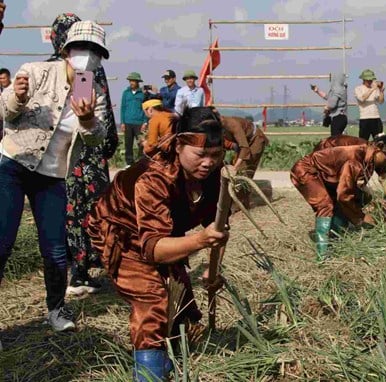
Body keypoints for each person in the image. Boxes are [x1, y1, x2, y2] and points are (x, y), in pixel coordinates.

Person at [87, 107, 228, 381]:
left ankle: (172, 361)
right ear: (178, 145)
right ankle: (149, 375)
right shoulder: (153, 178)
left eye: (215, 155)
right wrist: (199, 240)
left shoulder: (213, 175)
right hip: (121, 232)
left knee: (181, 306)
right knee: (153, 301)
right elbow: (152, 249)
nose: (208, 163)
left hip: (164, 232)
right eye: (200, 155)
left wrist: (214, 267)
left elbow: (219, 225)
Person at [0, 20, 109, 331]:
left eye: (94, 51)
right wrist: (17, 97)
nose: (86, 55)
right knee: (2, 243)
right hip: (13, 166)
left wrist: (87, 119)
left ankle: (57, 310)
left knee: (56, 250)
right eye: (80, 48)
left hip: (53, 177)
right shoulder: (36, 71)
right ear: (65, 50)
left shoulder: (92, 89)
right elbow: (5, 112)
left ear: (100, 57)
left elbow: (95, 138)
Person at [44, 13, 119, 296]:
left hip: (58, 157)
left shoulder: (52, 65)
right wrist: (107, 147)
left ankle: (72, 272)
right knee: (85, 211)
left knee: (66, 212)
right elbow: (90, 117)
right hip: (85, 157)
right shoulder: (86, 70)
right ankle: (80, 273)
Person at [290, 135, 386, 259]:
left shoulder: (369, 156)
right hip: (307, 171)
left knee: (358, 197)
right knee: (326, 205)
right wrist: (360, 217)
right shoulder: (355, 159)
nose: (385, 163)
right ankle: (322, 256)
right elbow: (344, 195)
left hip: (330, 174)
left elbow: (361, 185)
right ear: (378, 147)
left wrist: (382, 202)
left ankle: (335, 234)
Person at [313, 135, 386, 201]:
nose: (385, 164)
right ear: (379, 147)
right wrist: (374, 197)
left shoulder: (378, 156)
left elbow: (384, 178)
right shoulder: (358, 152)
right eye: (385, 160)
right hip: (325, 160)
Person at [218, 113, 269, 209]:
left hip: (255, 140)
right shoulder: (217, 128)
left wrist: (235, 167)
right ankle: (239, 202)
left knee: (243, 172)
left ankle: (241, 205)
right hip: (242, 144)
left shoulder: (233, 124)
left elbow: (245, 148)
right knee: (238, 172)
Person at [121, 72, 148, 166]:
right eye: (130, 81)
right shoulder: (126, 93)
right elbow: (123, 108)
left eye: (133, 81)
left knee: (141, 143)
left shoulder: (142, 94)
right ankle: (129, 163)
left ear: (138, 82)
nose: (131, 82)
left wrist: (145, 122)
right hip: (127, 122)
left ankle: (140, 162)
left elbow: (145, 109)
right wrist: (122, 122)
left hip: (139, 123)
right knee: (128, 144)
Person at [311, 72, 348, 137]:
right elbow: (328, 97)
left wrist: (326, 108)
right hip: (341, 117)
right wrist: (317, 91)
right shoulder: (341, 89)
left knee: (335, 139)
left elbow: (332, 104)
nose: (330, 80)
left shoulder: (337, 89)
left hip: (338, 118)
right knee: (338, 138)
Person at [355, 69, 385, 140]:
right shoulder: (358, 89)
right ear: (364, 79)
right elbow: (362, 99)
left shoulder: (375, 89)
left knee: (379, 141)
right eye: (368, 80)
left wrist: (381, 91)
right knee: (363, 141)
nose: (370, 81)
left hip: (376, 118)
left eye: (371, 80)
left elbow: (381, 101)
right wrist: (372, 89)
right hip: (365, 119)